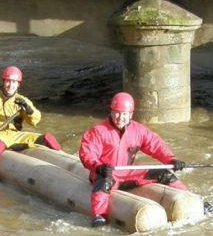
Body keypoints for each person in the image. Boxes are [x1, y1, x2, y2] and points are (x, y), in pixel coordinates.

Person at [78, 92, 186, 227]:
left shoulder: (138, 130)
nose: (120, 118)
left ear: (130, 114)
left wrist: (171, 160)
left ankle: (187, 197)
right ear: (111, 112)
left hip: (128, 173)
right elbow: (87, 153)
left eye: (124, 114)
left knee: (164, 173)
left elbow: (156, 145)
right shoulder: (98, 131)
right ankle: (99, 216)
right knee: (104, 181)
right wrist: (98, 166)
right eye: (117, 113)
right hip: (106, 172)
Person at [0, 65, 62, 182]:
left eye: (14, 82)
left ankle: (64, 156)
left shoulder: (22, 101)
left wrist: (29, 110)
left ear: (18, 84)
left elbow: (35, 121)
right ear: (3, 82)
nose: (10, 85)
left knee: (47, 138)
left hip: (16, 135)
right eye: (8, 81)